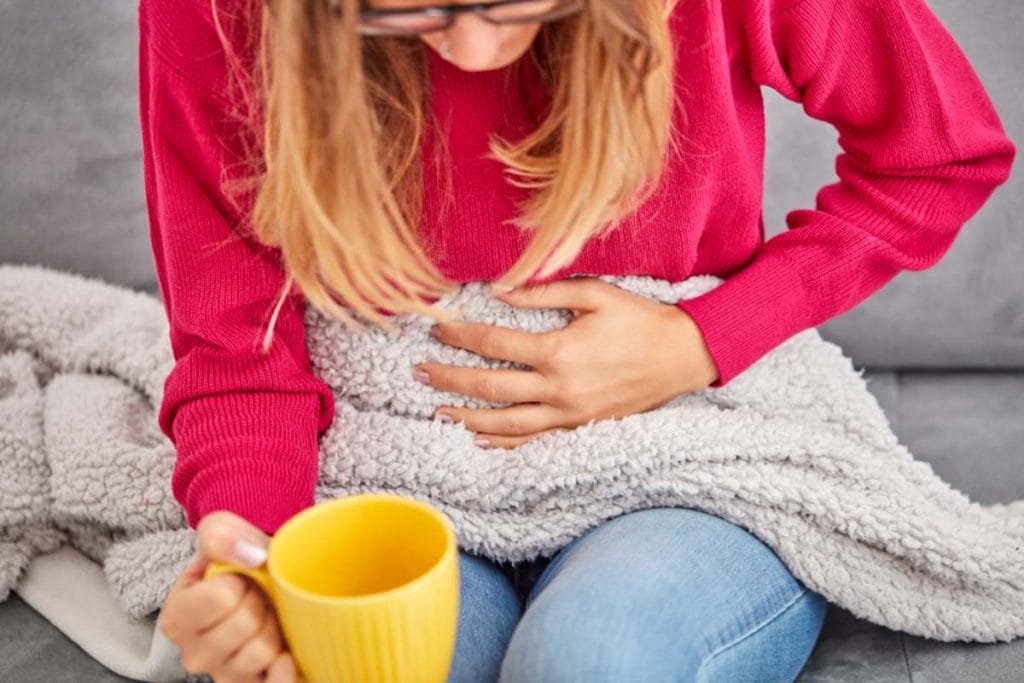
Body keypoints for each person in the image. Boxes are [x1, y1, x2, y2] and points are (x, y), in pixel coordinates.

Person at [140, 0, 1016, 681]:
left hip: (687, 460)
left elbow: (941, 156)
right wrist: (253, 561)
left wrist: (699, 341)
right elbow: (238, 350)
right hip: (395, 462)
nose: (475, 52)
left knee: (588, 660)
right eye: (404, 10)